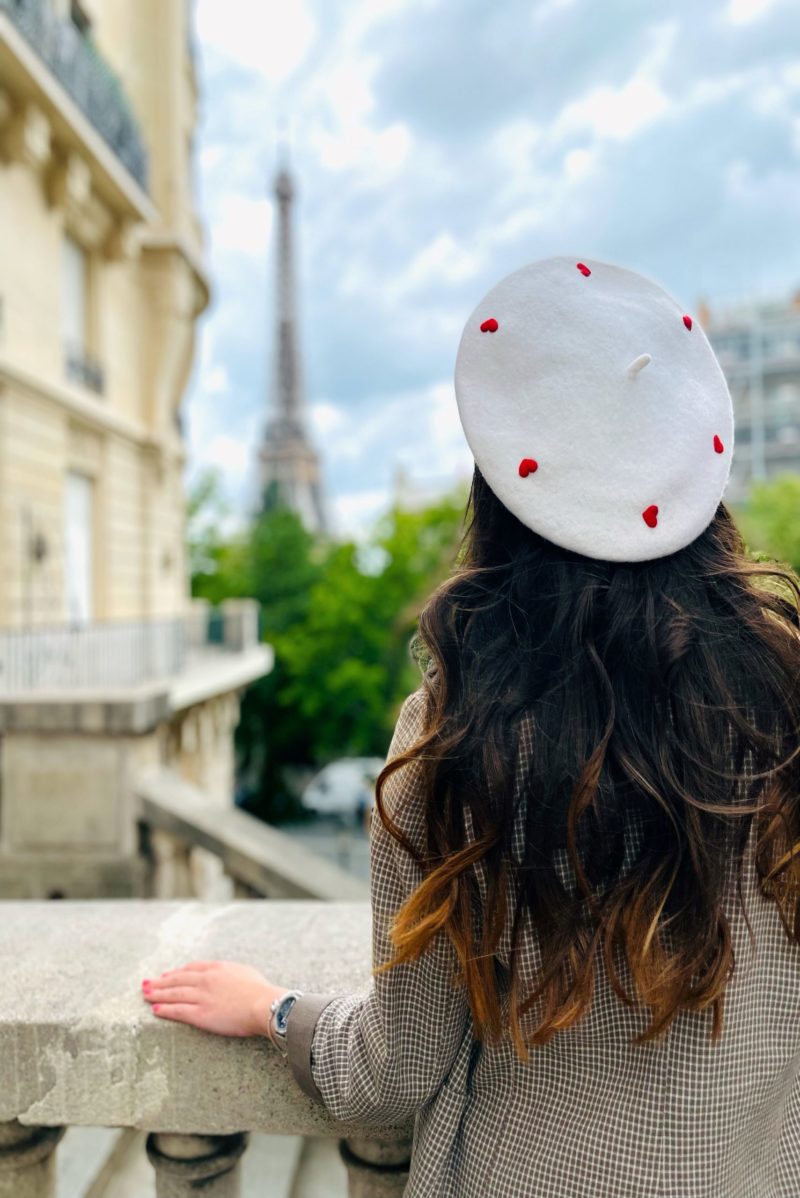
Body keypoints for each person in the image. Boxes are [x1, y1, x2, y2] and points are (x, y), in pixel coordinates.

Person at [139, 257, 800, 1196]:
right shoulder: (780, 696)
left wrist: (276, 1011)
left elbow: (391, 1074)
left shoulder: (458, 743)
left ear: (500, 490)